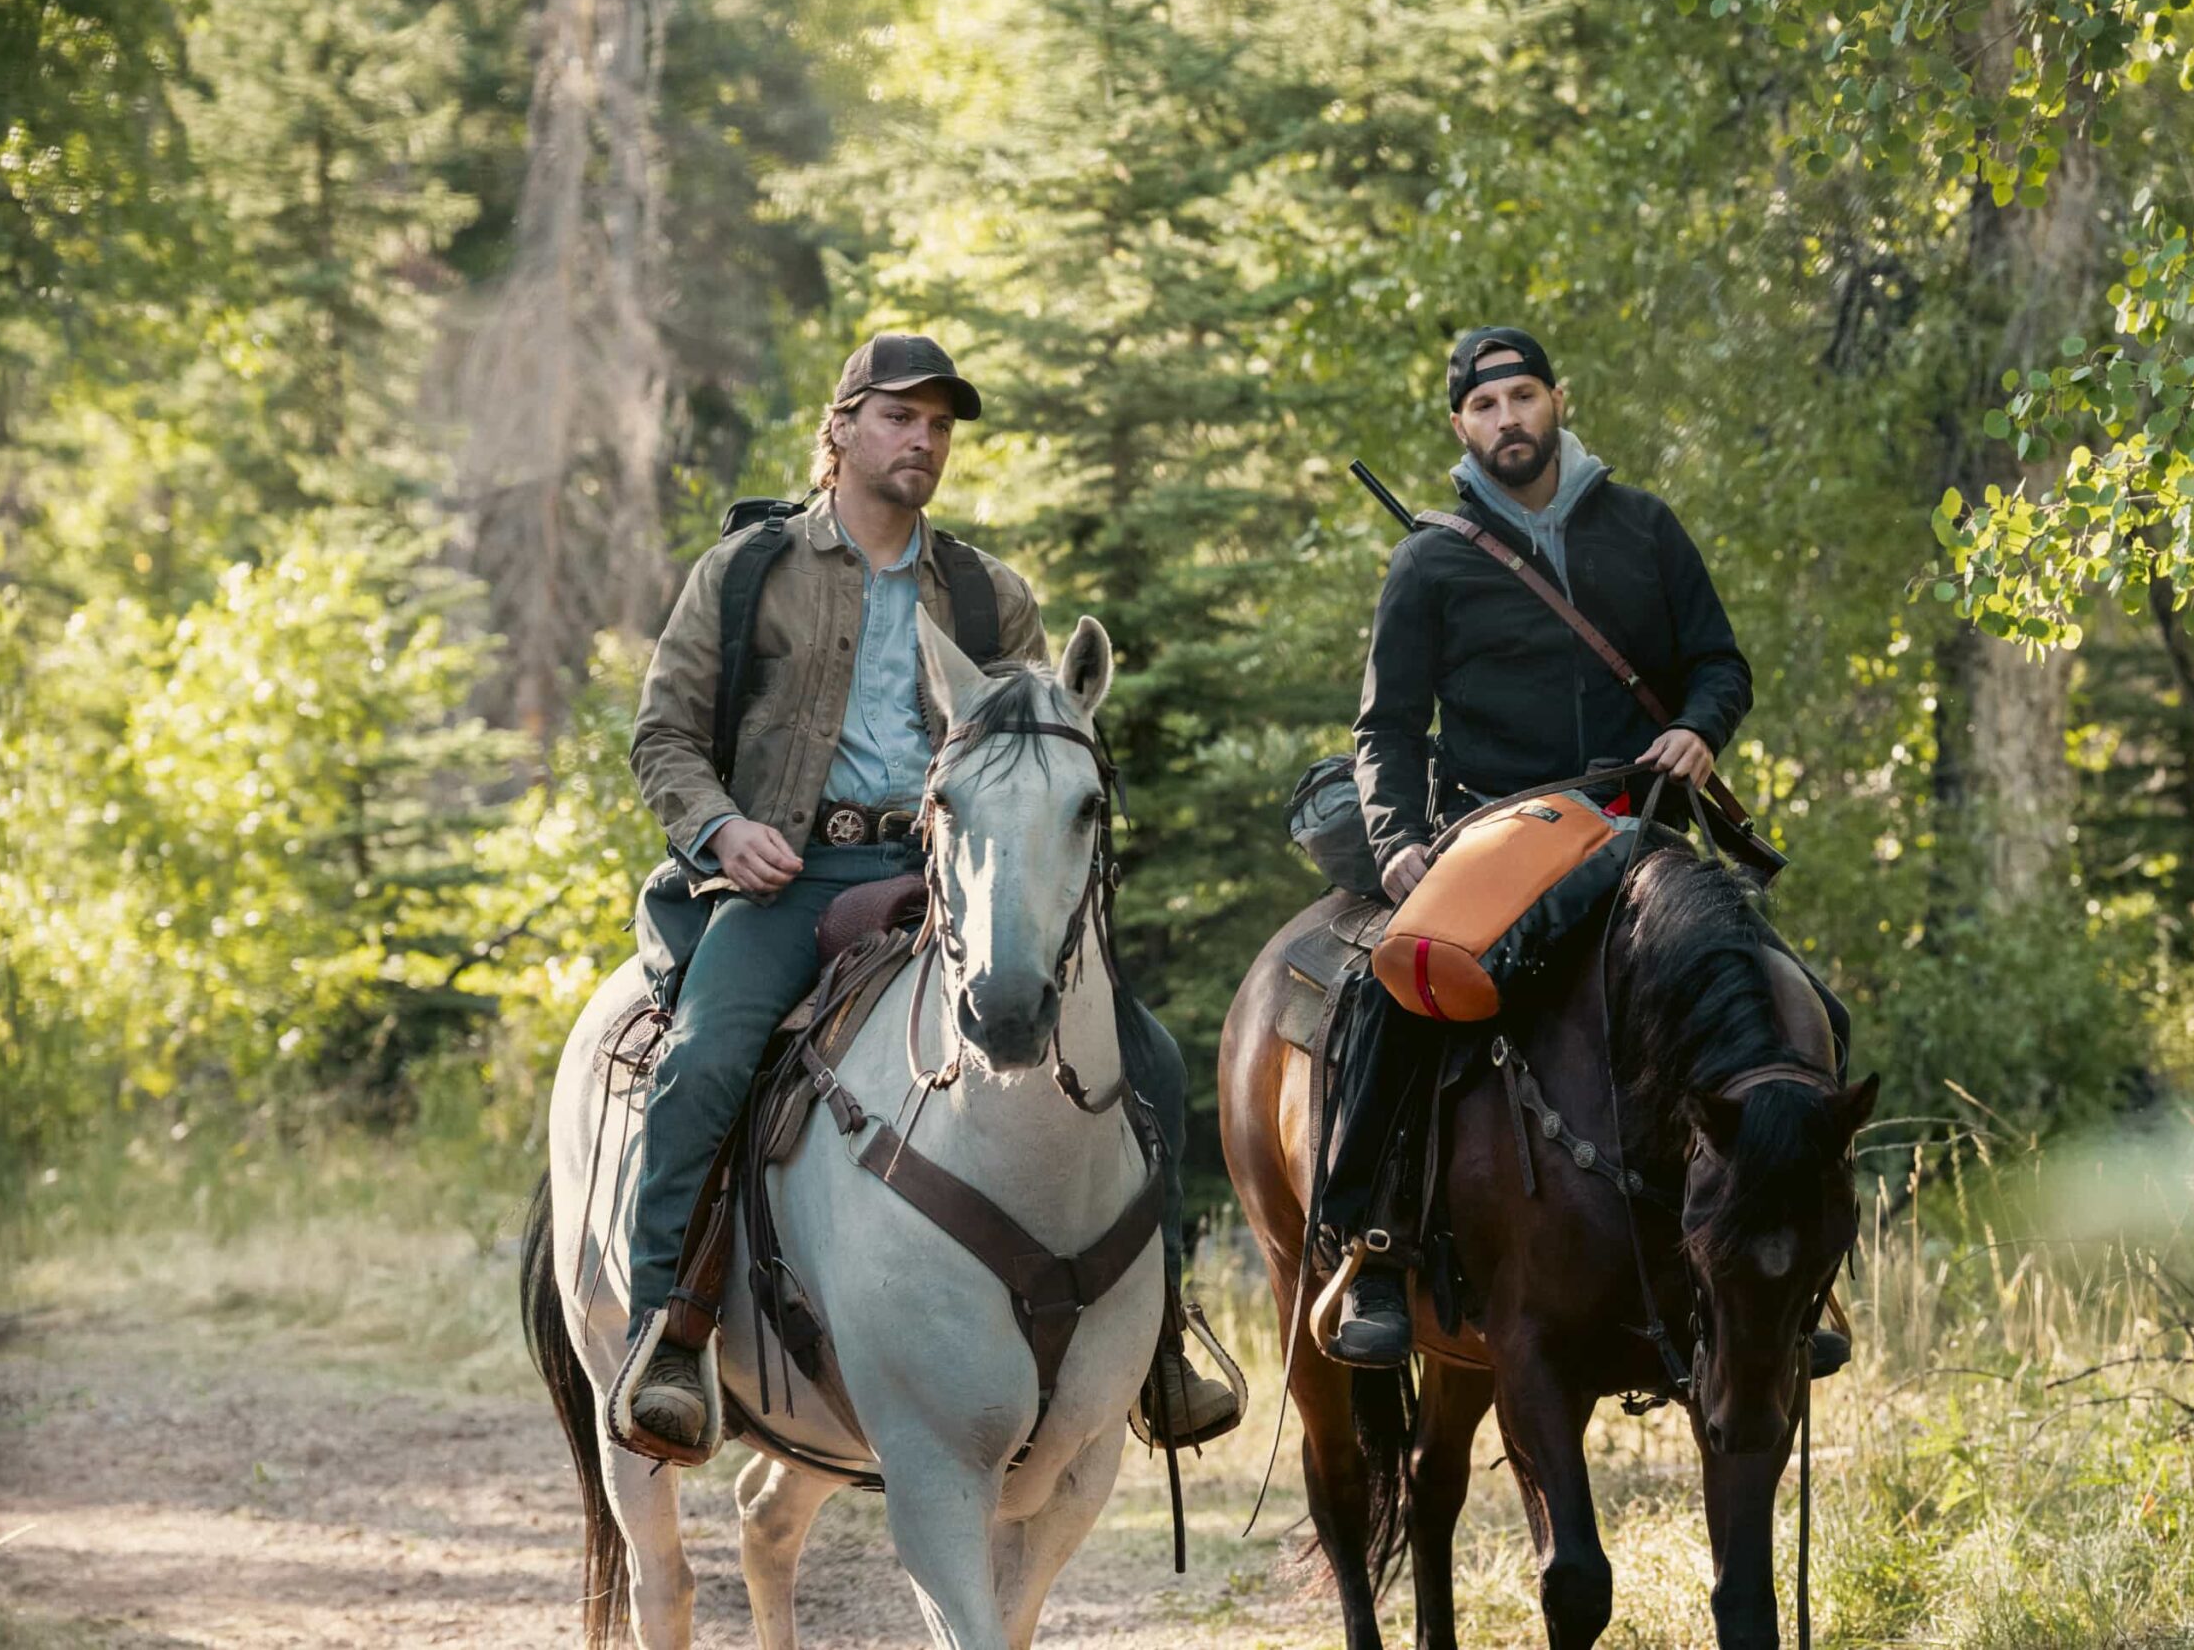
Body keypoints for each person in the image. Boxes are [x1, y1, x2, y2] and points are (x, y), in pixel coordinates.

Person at [621, 331, 1240, 1449]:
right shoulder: (748, 572)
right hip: (788, 878)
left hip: (950, 877)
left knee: (1142, 1052)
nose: (923, 439)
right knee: (708, 1056)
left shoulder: (987, 594)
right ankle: (667, 1334)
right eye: (901, 416)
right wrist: (722, 829)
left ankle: (1161, 1342)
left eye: (940, 425)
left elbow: (1040, 755)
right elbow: (664, 734)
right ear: (843, 426)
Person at [1323, 325, 1851, 1368]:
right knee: (1395, 994)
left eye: (1521, 396)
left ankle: (1800, 1277)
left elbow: (1719, 664)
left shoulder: (1645, 529)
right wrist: (1396, 842)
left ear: (1557, 401)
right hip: (1494, 834)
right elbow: (1385, 729)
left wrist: (1699, 729)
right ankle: (1374, 1248)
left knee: (1807, 1009)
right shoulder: (1428, 560)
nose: (1506, 419)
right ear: (1460, 427)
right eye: (1484, 406)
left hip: (1638, 823)